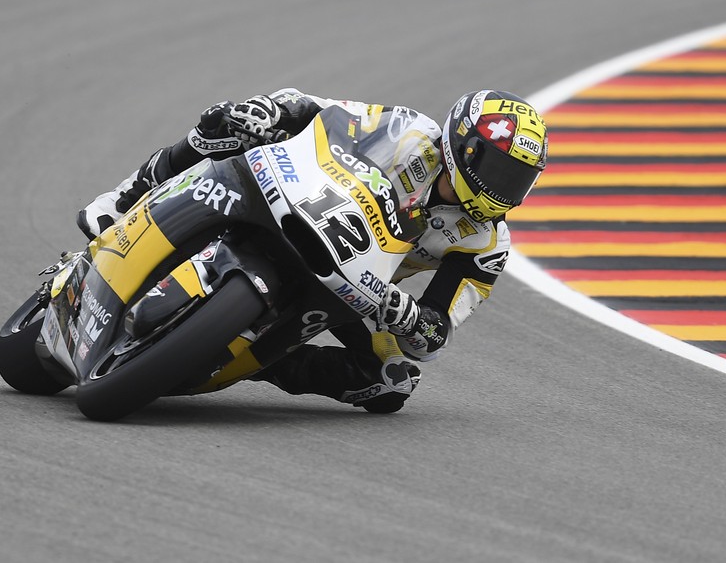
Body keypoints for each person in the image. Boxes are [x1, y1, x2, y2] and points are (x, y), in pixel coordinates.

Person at [77, 88, 548, 413]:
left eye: (518, 179)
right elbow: (316, 109)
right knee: (224, 126)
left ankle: (254, 358)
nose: (505, 189)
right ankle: (124, 199)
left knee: (390, 383)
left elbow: (438, 327)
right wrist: (267, 112)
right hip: (300, 200)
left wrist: (408, 317)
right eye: (500, 170)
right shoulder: (406, 130)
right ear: (464, 147)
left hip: (362, 287)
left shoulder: (486, 243)